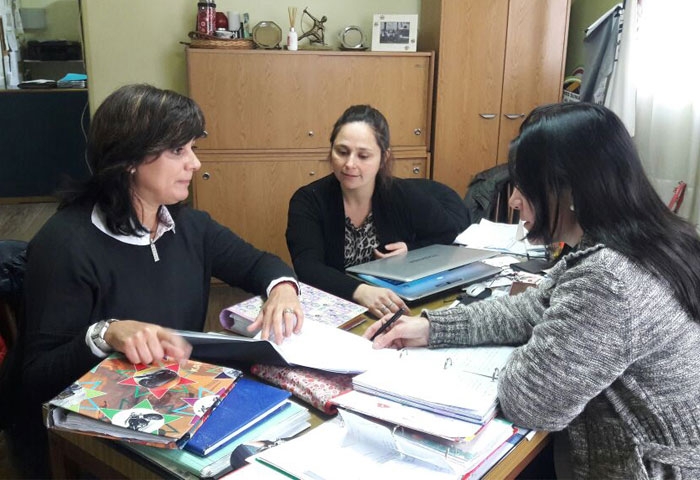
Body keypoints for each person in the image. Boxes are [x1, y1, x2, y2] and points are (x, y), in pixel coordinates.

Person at [364, 103, 700, 478]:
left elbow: (530, 401)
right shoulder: (643, 239)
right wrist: (431, 328)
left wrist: (542, 350)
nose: (512, 200)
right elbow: (533, 307)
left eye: (524, 186)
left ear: (568, 187)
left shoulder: (610, 279)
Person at [1, 84, 303, 477]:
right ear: (130, 159)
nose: (194, 163)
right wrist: (105, 333)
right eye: (178, 151)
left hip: (163, 407)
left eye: (192, 148)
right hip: (79, 438)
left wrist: (282, 288)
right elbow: (38, 379)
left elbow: (260, 263)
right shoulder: (66, 244)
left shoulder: (190, 226)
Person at [286, 105, 468, 318]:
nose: (349, 164)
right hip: (336, 305)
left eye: (363, 156)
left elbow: (447, 233)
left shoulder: (402, 194)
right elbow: (308, 267)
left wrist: (411, 249)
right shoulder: (308, 200)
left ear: (383, 158)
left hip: (393, 306)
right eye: (342, 152)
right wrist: (360, 292)